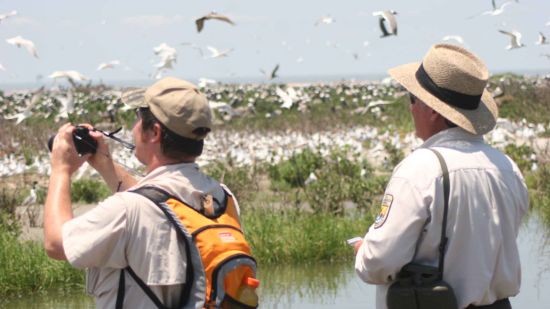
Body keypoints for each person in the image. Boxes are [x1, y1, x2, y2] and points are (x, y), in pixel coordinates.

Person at [354, 44, 529, 309]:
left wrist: (363, 251)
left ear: (433, 110)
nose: (411, 109)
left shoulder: (420, 170)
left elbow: (378, 264)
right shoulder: (507, 167)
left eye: (412, 100)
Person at [44, 77, 240, 308]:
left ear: (154, 132)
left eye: (137, 118)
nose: (133, 127)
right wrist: (105, 165)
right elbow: (161, 205)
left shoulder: (128, 210)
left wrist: (61, 170)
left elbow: (57, 244)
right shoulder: (222, 199)